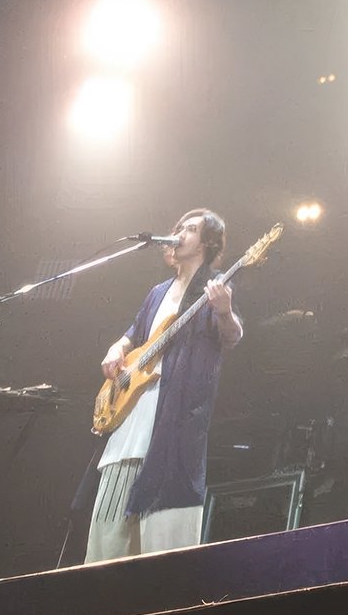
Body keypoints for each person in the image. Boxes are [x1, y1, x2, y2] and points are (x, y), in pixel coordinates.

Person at [86, 208, 244, 563]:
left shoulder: (215, 286)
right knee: (106, 547)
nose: (180, 233)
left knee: (163, 555)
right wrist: (117, 348)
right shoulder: (157, 292)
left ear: (207, 243)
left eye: (191, 229)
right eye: (180, 227)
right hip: (130, 420)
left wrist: (223, 310)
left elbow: (232, 336)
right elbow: (133, 334)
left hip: (172, 424)